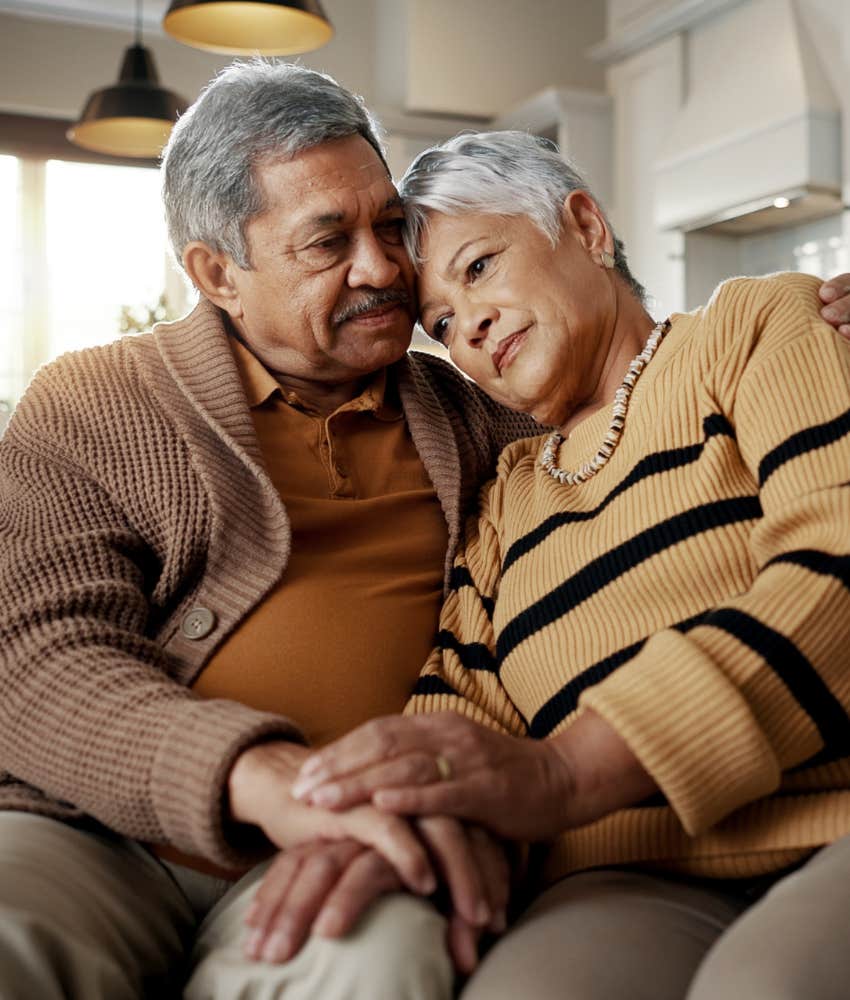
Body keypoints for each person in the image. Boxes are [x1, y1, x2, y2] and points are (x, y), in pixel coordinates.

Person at [0, 64, 540, 1000]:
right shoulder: (93, 401)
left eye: (388, 228)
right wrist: (257, 776)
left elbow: (642, 402)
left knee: (383, 962)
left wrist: (793, 332)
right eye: (327, 241)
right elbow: (33, 655)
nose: (381, 269)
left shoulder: (481, 407)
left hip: (358, 843)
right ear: (218, 272)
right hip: (88, 833)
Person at [290, 130, 850, 1000]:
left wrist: (567, 771)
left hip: (834, 820)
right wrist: (394, 828)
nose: (465, 326)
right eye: (439, 324)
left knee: (766, 987)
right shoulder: (507, 496)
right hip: (621, 872)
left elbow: (837, 566)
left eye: (478, 268)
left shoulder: (753, 327)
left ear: (585, 227)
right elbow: (460, 710)